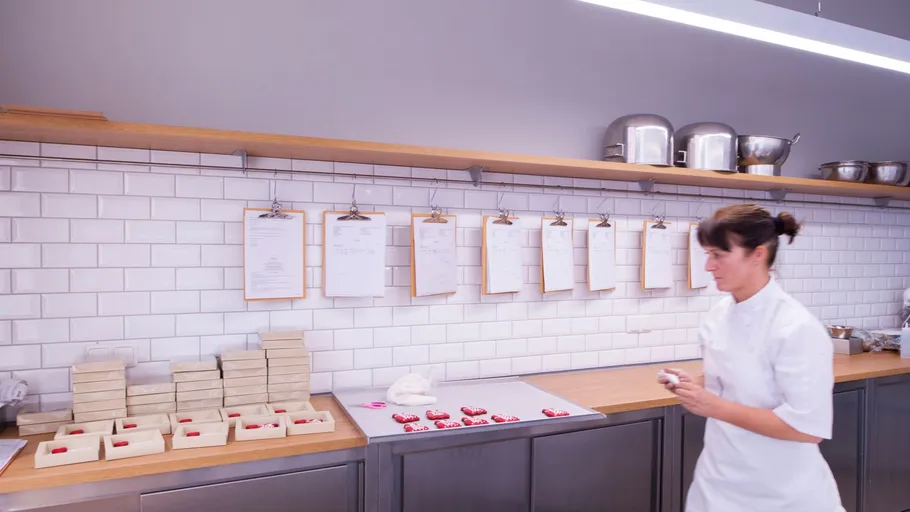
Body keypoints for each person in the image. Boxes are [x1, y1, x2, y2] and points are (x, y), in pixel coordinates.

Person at [658, 204, 845, 512]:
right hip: (717, 483)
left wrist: (714, 406)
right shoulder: (719, 315)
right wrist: (697, 384)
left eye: (718, 254)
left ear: (757, 254)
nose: (708, 266)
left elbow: (807, 429)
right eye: (707, 254)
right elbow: (736, 378)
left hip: (781, 493)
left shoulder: (796, 327)